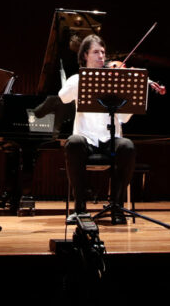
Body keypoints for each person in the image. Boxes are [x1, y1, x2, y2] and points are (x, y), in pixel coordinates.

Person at [58, 34, 136, 225]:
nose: (101, 56)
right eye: (96, 52)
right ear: (85, 55)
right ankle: (80, 209)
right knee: (73, 142)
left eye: (103, 52)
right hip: (86, 141)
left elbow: (124, 119)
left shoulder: (115, 81)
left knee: (127, 146)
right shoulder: (77, 79)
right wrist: (85, 79)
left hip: (111, 140)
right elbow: (63, 97)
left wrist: (132, 92)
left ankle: (117, 206)